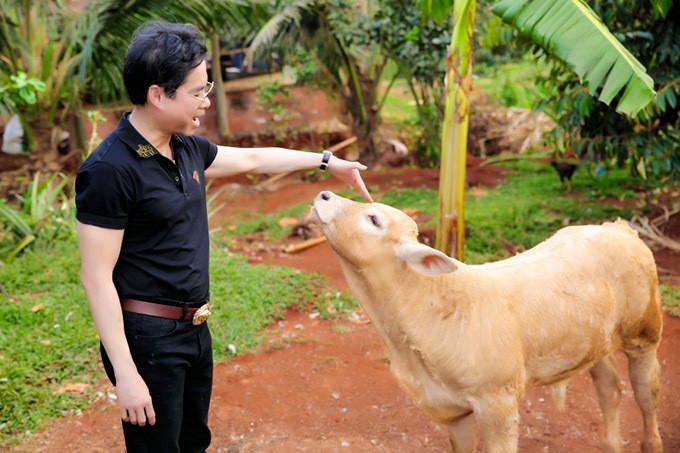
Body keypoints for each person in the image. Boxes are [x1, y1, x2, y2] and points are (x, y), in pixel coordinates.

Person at [75, 21, 372, 452]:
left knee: (194, 441)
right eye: (197, 91)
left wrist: (327, 162)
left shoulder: (184, 146)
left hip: (195, 326)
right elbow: (96, 278)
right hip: (148, 337)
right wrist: (126, 372)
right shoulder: (108, 170)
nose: (206, 100)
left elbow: (253, 157)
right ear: (159, 94)